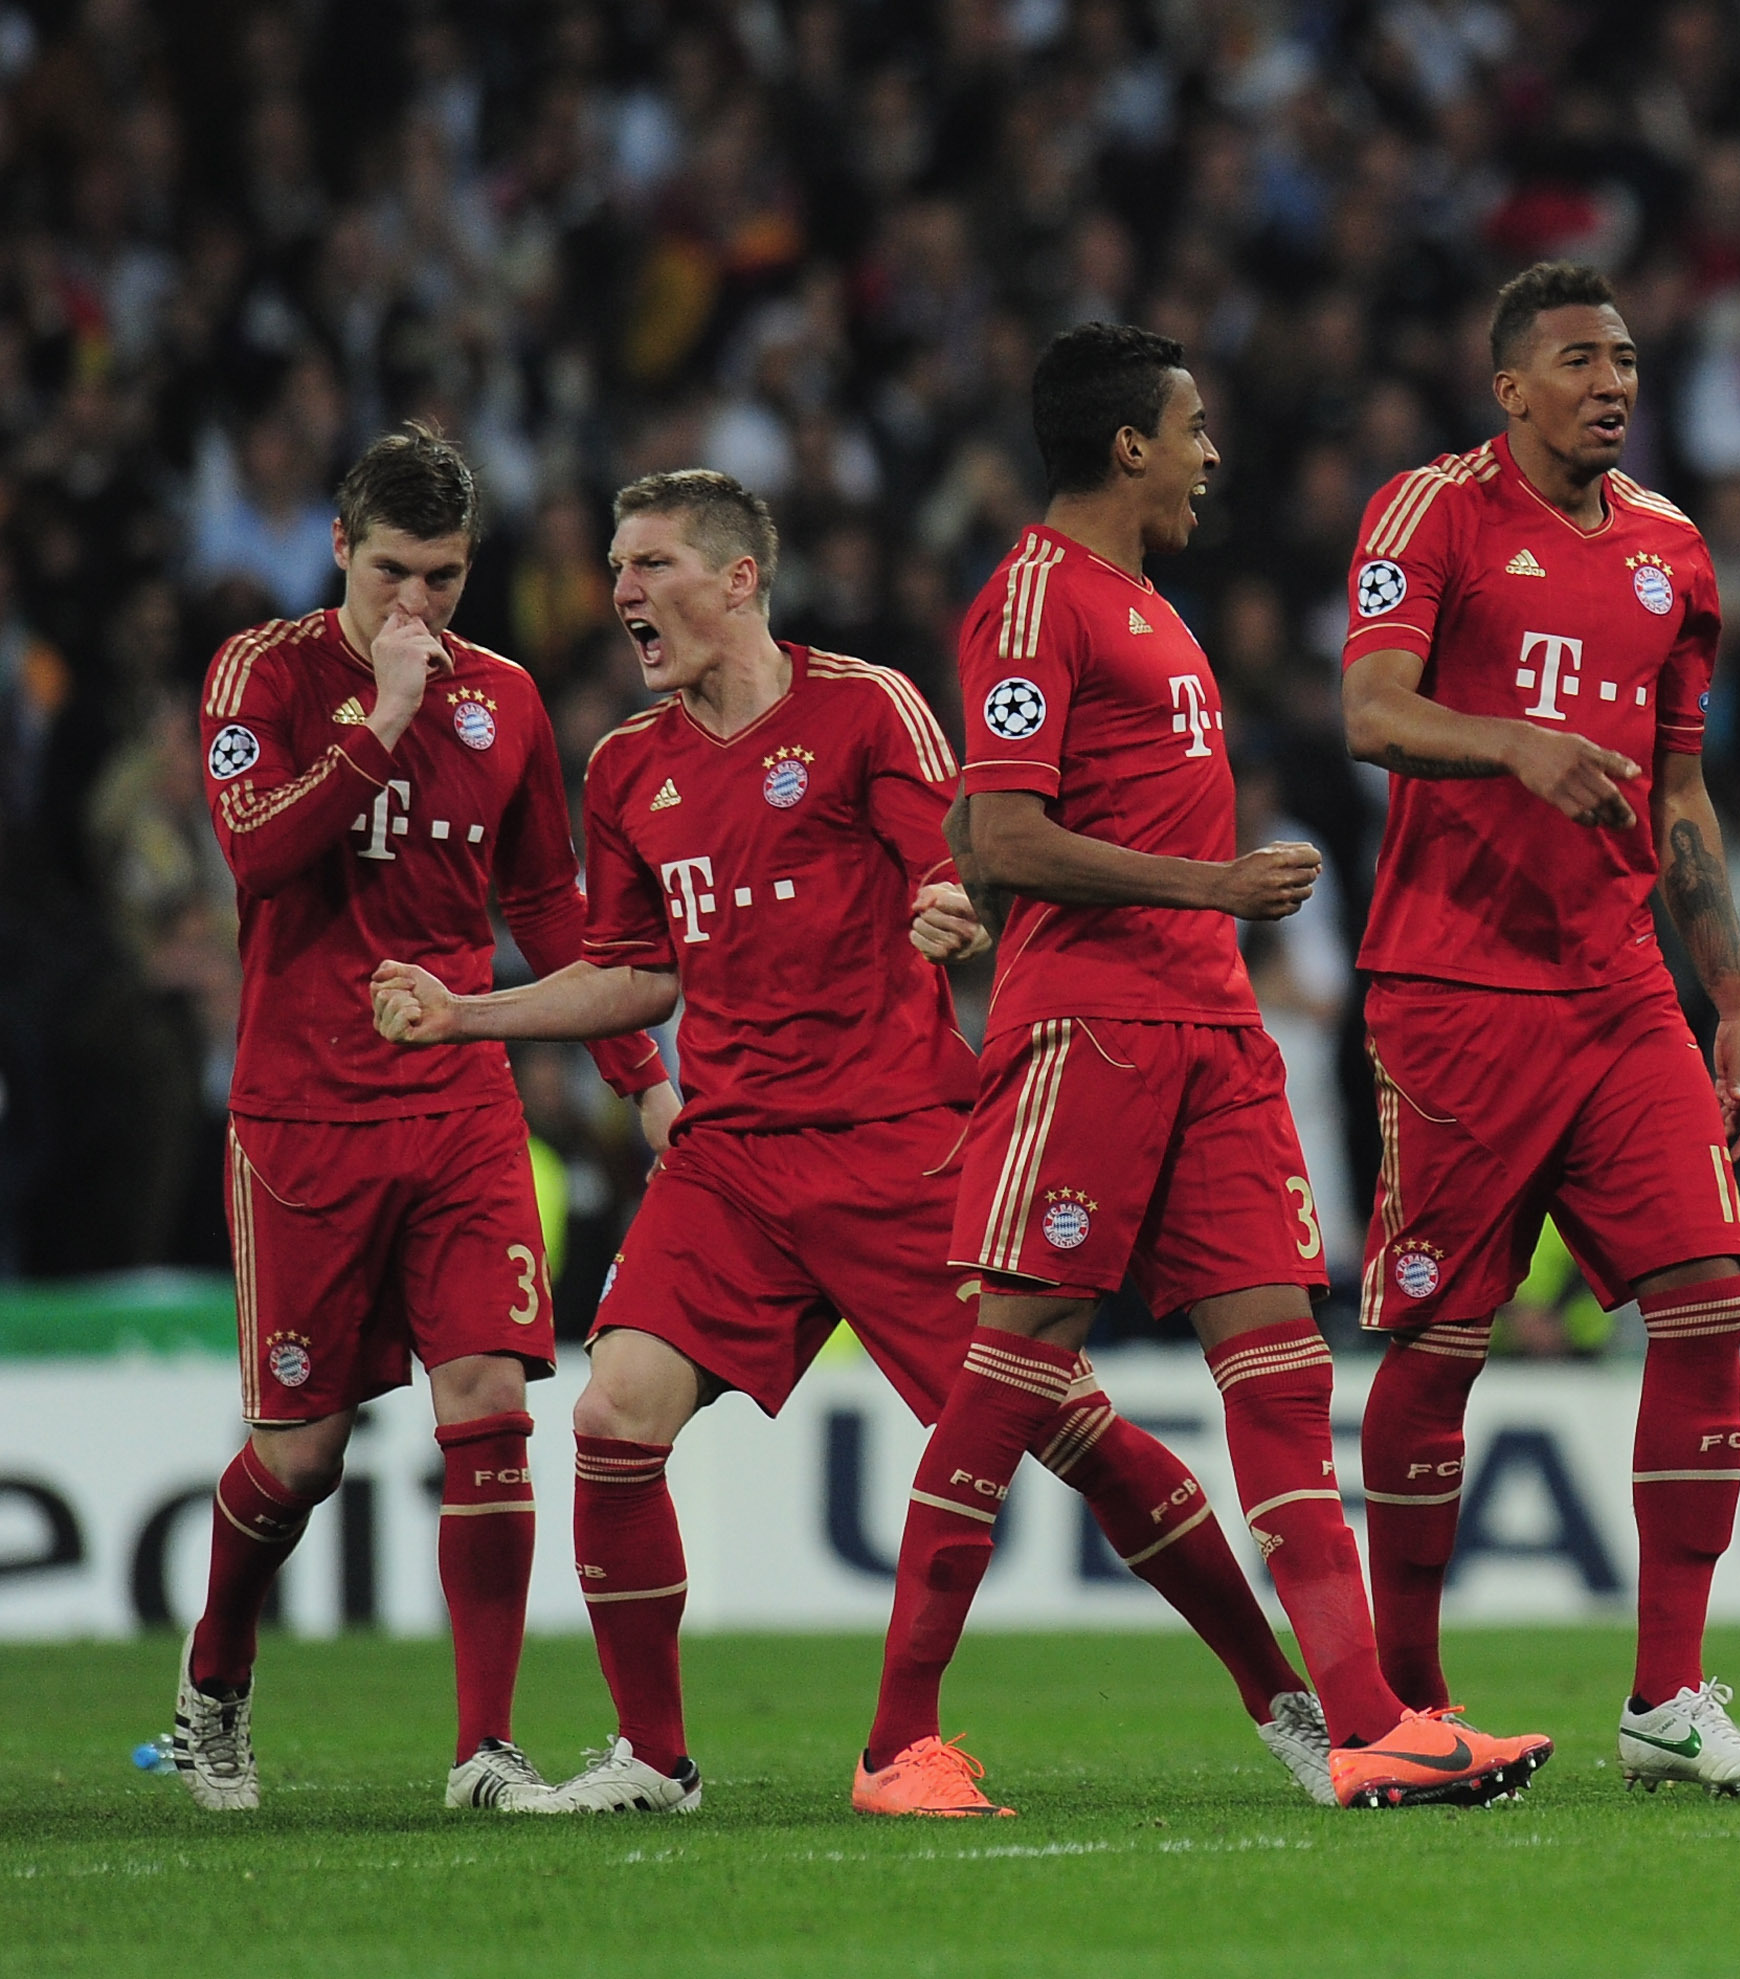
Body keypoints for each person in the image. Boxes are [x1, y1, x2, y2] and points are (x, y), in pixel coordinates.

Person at [370, 469, 1328, 1816]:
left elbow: (959, 858)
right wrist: (467, 1012)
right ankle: (654, 1758)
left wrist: (948, 909)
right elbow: (636, 974)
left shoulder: (864, 708)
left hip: (898, 1148)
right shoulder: (629, 767)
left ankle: (1280, 1696)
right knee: (611, 1415)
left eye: (649, 565)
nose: (624, 592)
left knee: (1070, 1431)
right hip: (731, 1158)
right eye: (617, 565)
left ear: (738, 579)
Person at [860, 323, 1553, 1815]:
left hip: (1213, 1035)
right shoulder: (1033, 600)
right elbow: (996, 836)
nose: (1210, 454)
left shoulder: (1150, 605)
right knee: (1014, 1366)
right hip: (1093, 1024)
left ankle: (1366, 1719)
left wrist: (1214, 928)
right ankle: (895, 1744)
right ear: (1127, 446)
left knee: (1283, 1369)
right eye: (1192, 428)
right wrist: (1210, 889)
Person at [168, 427, 675, 1814]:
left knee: (492, 1410)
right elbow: (258, 856)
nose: (418, 608)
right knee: (301, 1457)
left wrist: (645, 1077)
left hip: (458, 1099)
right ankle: (214, 1679)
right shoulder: (261, 675)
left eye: (445, 579)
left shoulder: (505, 701)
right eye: (393, 572)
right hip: (302, 1114)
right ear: (339, 548)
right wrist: (378, 720)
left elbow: (551, 912)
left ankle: (484, 1751)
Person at [1340, 262, 1740, 1795]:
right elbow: (1374, 712)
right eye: (1580, 360)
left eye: (1628, 360)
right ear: (1508, 386)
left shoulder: (1673, 551)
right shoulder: (1431, 515)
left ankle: (1667, 1698)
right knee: (1441, 1343)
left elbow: (1678, 793)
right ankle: (1407, 1701)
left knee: (1711, 1294)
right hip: (1456, 991)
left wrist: (1727, 986)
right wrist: (1514, 750)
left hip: (1618, 994)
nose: (1614, 383)